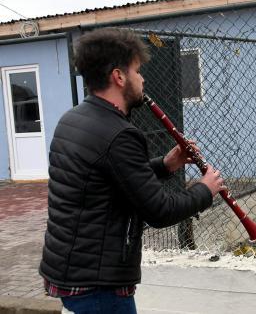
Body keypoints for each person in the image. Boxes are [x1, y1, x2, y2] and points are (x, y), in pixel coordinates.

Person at [39, 28, 224, 313]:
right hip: (99, 284)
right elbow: (160, 211)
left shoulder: (73, 119)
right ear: (119, 76)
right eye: (137, 71)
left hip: (71, 270)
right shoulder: (119, 134)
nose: (142, 79)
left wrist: (166, 165)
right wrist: (206, 189)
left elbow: (110, 179)